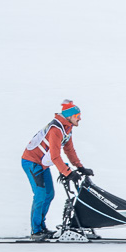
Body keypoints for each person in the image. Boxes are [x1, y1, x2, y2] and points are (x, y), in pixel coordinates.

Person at [21, 100, 93, 238]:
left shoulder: (67, 127)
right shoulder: (56, 130)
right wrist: (68, 173)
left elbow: (69, 149)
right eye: (77, 116)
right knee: (40, 195)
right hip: (32, 162)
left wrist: (80, 167)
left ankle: (42, 227)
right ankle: (36, 231)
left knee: (49, 195)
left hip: (42, 163)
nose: (80, 118)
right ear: (69, 116)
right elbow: (55, 156)